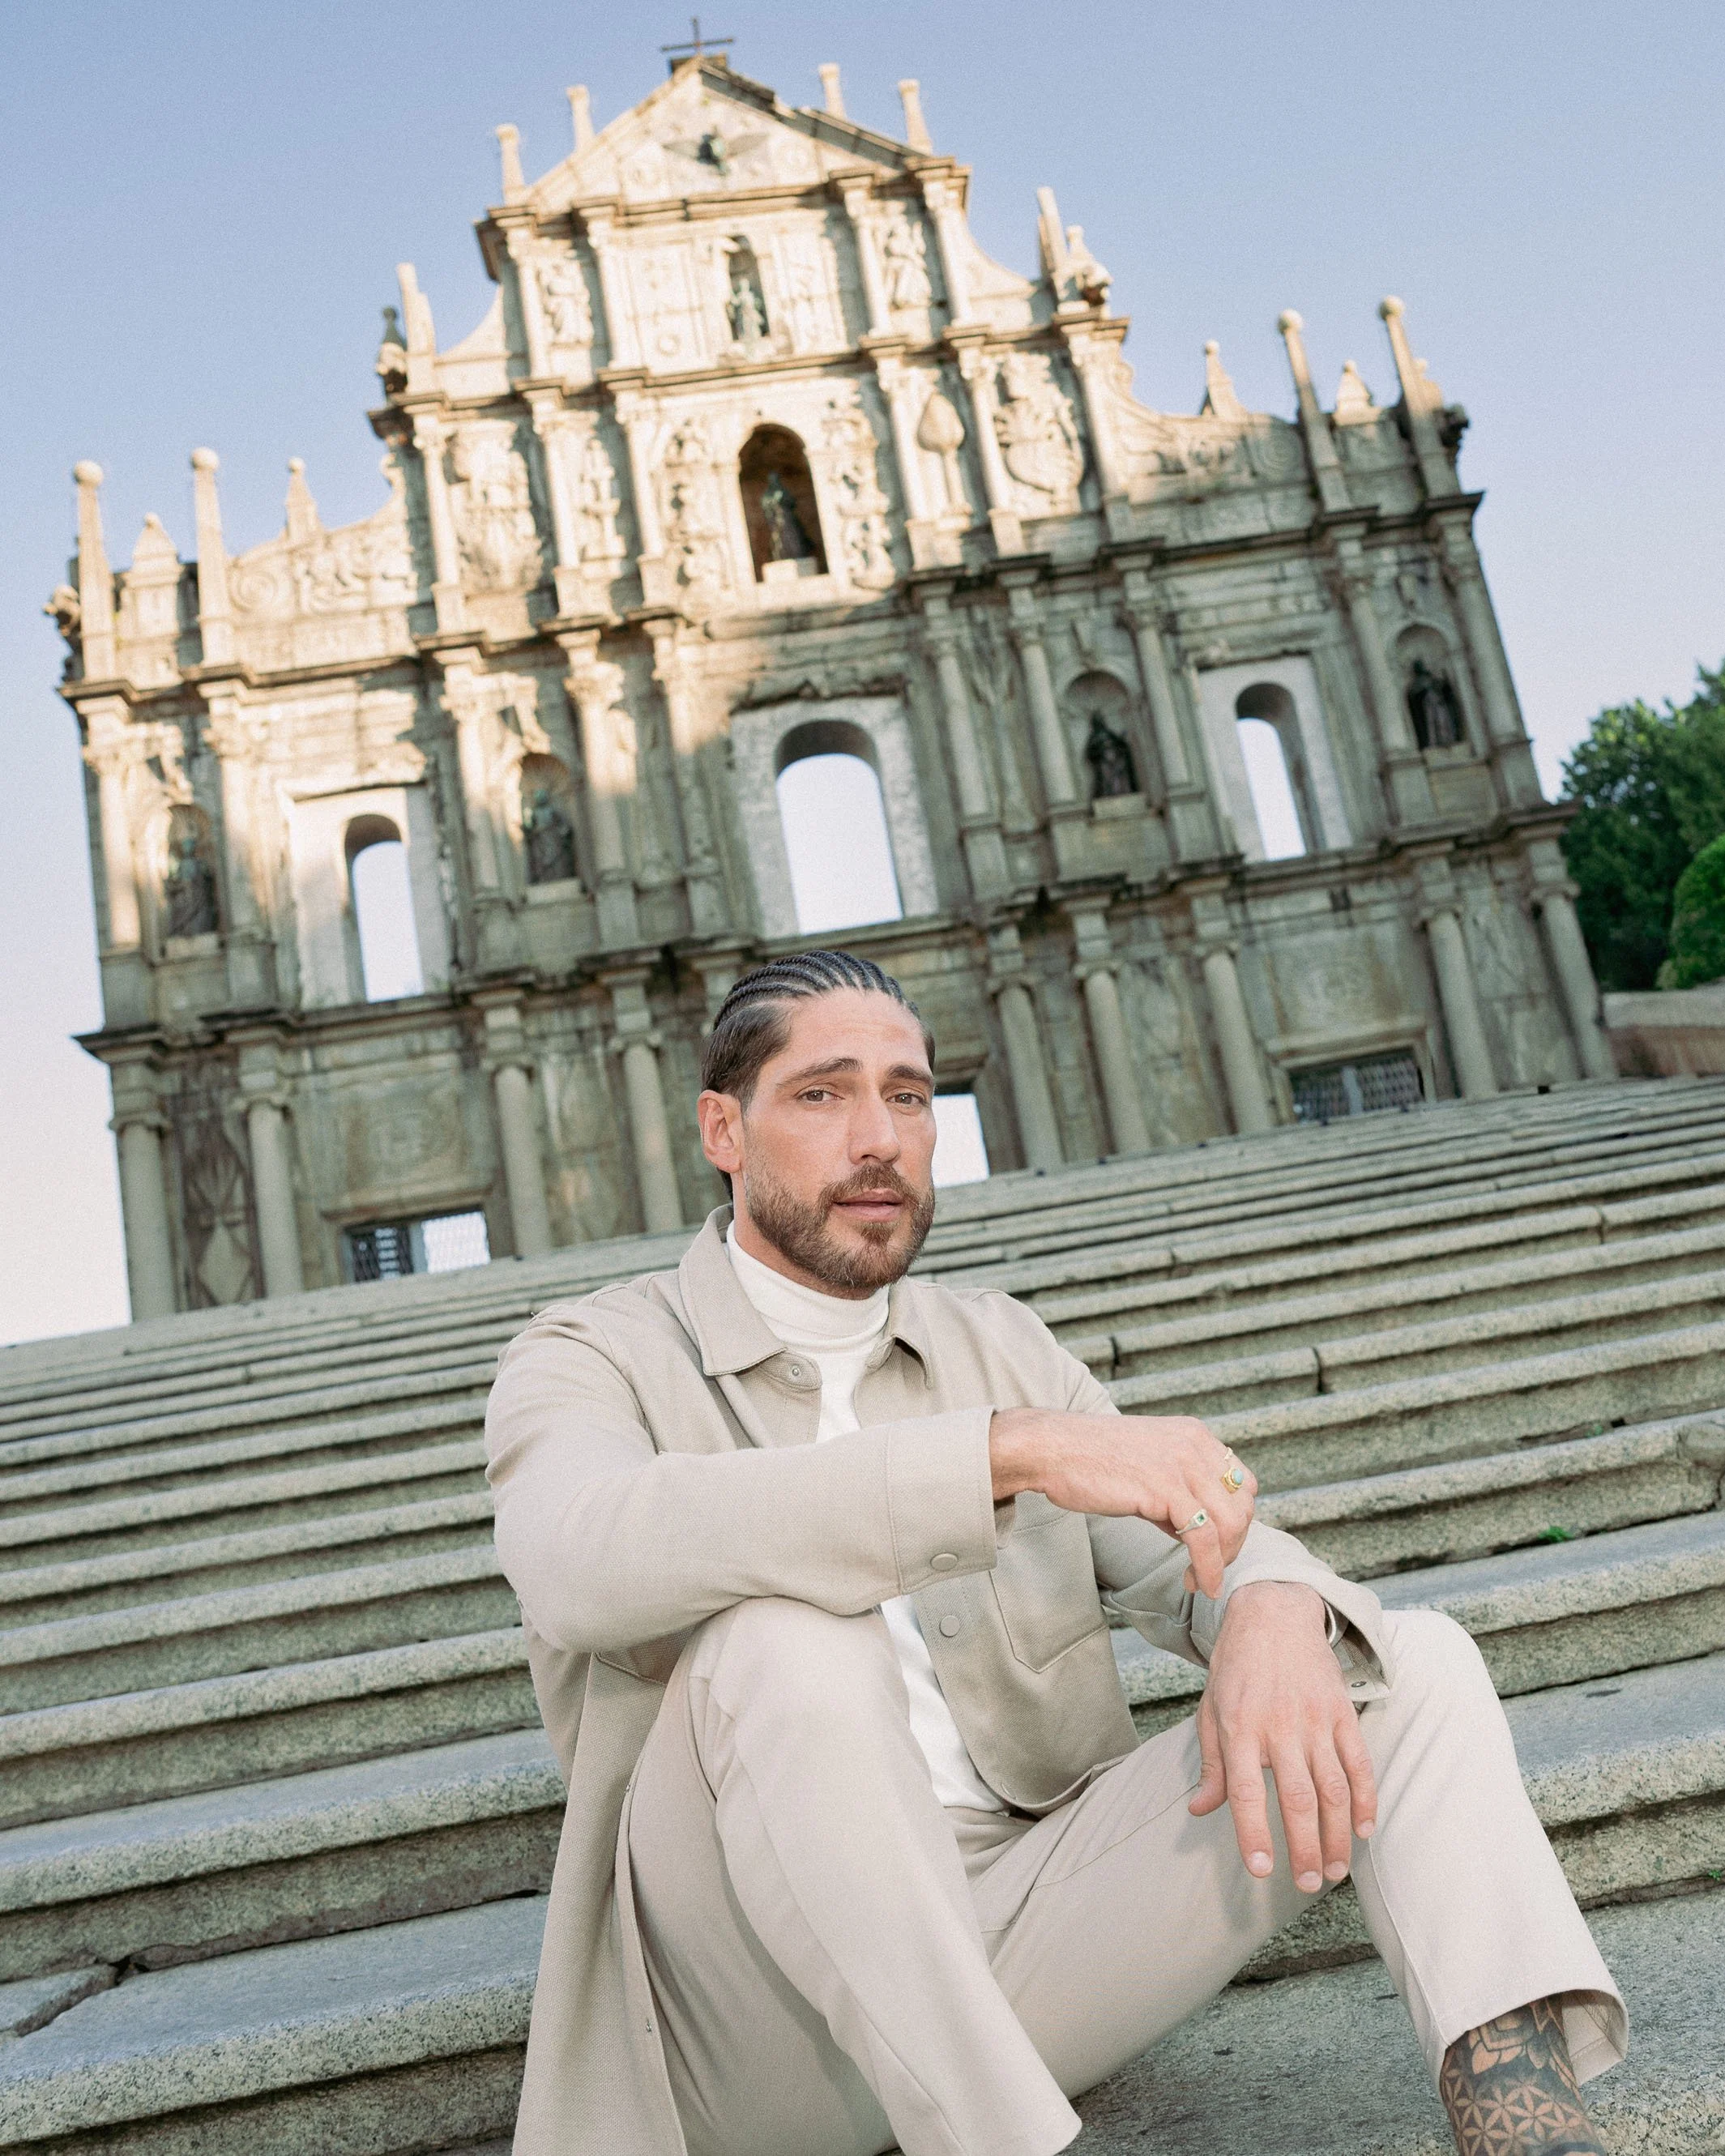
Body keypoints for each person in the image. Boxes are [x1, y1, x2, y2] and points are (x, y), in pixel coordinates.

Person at [486, 950, 1625, 2156]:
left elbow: (1200, 1534)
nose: (881, 1137)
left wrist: (1275, 1602)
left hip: (1020, 1942)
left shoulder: (998, 1346)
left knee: (1411, 1664)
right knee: (782, 1641)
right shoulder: (587, 1356)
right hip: (747, 2033)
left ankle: (1531, 2133)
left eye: (912, 1096)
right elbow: (578, 1559)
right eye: (824, 1095)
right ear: (725, 1128)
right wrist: (996, 1455)